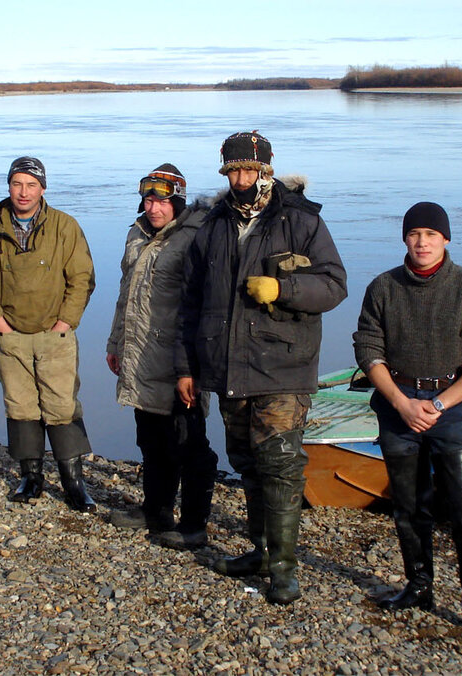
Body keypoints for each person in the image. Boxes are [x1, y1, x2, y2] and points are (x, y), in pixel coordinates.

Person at [175, 131, 347, 604]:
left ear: (267, 172)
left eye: (250, 171)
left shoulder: (300, 220)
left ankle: (285, 569)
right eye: (233, 171)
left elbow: (334, 285)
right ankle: (259, 551)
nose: (241, 179)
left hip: (283, 367)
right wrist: (186, 367)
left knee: (281, 465)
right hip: (227, 368)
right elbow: (189, 304)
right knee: (247, 462)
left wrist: (283, 290)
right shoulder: (211, 226)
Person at [353, 201, 462, 639]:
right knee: (408, 508)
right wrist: (401, 403)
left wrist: (439, 405)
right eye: (415, 234)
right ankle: (419, 586)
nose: (422, 242)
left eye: (431, 235)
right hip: (398, 406)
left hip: (452, 410)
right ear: (405, 238)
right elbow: (367, 348)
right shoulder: (383, 287)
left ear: (446, 240)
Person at [0, 157, 98, 512]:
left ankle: (74, 483)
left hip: (54, 335)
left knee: (62, 406)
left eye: (31, 185)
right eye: (17, 184)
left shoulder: (64, 227)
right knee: (21, 405)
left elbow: (82, 278)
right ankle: (31, 477)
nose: (23, 192)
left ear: (43, 188)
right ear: (8, 186)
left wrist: (65, 323)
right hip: (10, 336)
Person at [106, 164, 218, 548]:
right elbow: (125, 295)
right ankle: (156, 511)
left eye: (162, 201)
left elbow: (204, 305)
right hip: (138, 355)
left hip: (179, 361)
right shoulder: (136, 235)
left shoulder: (196, 236)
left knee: (189, 443)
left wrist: (194, 366)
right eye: (149, 199)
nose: (153, 208)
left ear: (178, 201)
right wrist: (115, 342)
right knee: (150, 439)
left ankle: (194, 524)